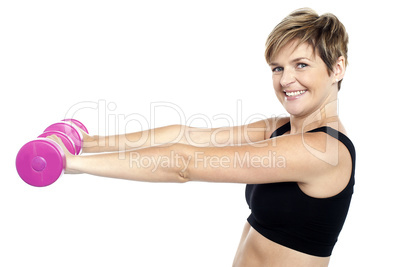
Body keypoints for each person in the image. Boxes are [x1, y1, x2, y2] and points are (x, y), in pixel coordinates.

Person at [49, 7, 355, 267]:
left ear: (337, 68)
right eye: (277, 68)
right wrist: (89, 142)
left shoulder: (321, 150)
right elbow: (189, 135)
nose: (286, 80)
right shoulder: (281, 128)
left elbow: (183, 163)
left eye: (301, 64)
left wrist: (70, 163)